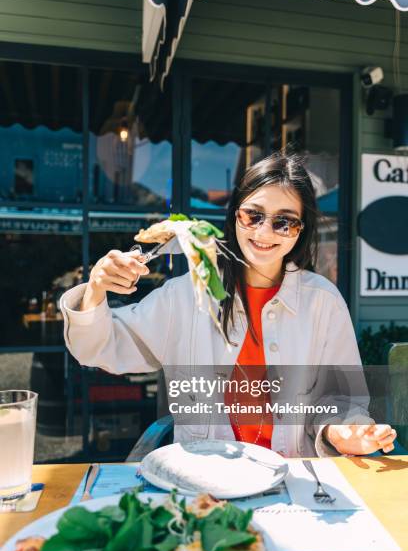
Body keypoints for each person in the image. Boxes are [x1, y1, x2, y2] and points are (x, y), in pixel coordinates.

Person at [61, 152, 396, 457]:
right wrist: (96, 290)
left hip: (295, 480)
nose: (265, 231)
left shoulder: (323, 301)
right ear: (235, 215)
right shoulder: (184, 296)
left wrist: (344, 432)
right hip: (204, 482)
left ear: (300, 230)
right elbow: (99, 347)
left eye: (284, 221)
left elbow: (340, 401)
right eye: (253, 215)